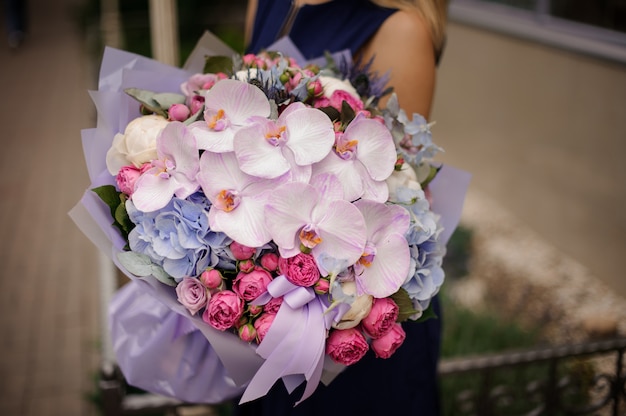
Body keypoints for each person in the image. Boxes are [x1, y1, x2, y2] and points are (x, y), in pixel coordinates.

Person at [235, 0, 449, 415]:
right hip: (269, 311)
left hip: (351, 318)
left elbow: (394, 187)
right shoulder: (266, 4)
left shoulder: (400, 30)